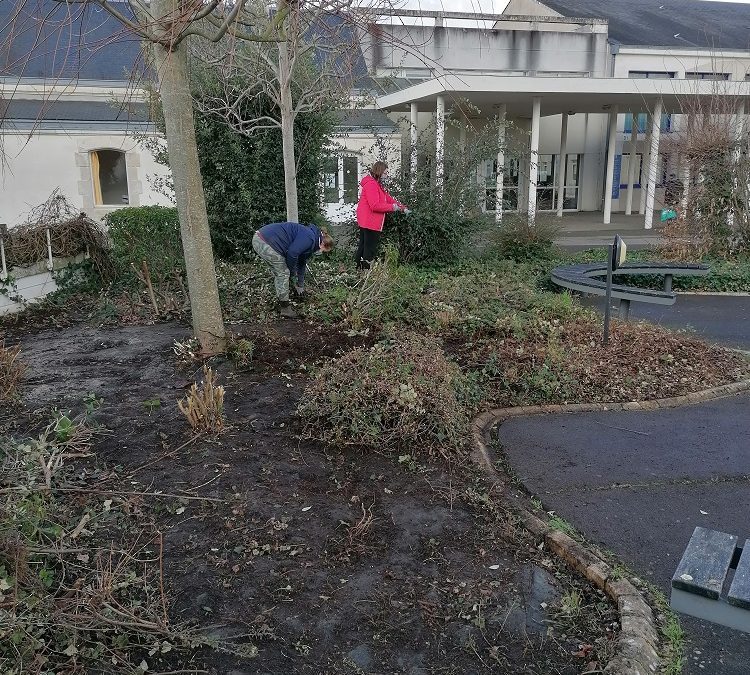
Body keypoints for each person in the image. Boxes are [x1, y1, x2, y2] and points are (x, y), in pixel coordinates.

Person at [252, 221, 334, 318]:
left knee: (280, 273)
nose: (320, 252)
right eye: (323, 251)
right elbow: (292, 253)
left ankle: (281, 302)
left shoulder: (312, 241)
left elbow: (302, 263)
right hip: (265, 241)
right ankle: (285, 308)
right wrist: (292, 273)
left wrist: (300, 285)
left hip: (262, 239)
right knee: (283, 273)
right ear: (323, 244)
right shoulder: (310, 238)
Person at [355, 161, 410, 268]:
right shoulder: (372, 185)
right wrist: (393, 208)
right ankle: (365, 273)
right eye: (385, 173)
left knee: (363, 247)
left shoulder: (376, 184)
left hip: (367, 221)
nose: (386, 175)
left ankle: (357, 270)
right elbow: (374, 205)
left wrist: (402, 208)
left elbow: (388, 199)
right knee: (368, 249)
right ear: (379, 172)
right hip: (370, 221)